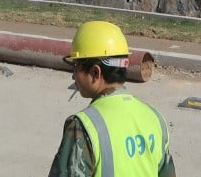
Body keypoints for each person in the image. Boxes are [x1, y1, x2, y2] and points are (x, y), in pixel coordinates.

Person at [48, 21, 175, 177]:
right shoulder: (155, 118)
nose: (73, 75)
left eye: (76, 66)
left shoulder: (83, 127)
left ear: (96, 72)